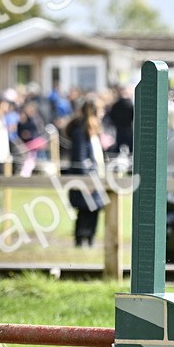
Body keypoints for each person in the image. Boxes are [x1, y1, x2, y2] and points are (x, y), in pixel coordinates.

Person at [64, 97, 106, 247]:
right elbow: (80, 158)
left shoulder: (91, 130)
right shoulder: (81, 131)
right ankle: (81, 240)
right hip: (87, 177)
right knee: (84, 210)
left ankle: (90, 239)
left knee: (94, 209)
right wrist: (86, 181)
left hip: (95, 176)